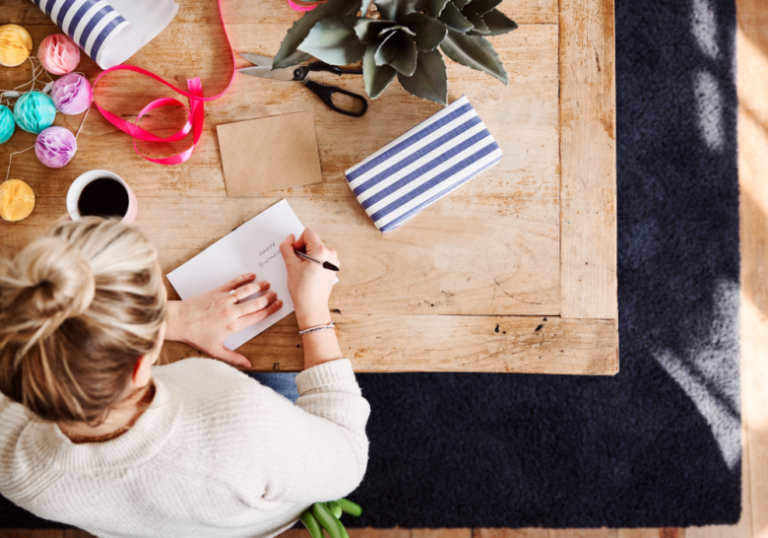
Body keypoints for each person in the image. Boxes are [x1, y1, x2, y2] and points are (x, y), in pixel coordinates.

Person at [0, 217, 370, 538]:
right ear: (139, 365)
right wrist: (312, 308)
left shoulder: (14, 469)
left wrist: (174, 320)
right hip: (257, 509)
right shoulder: (242, 420)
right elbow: (348, 459)